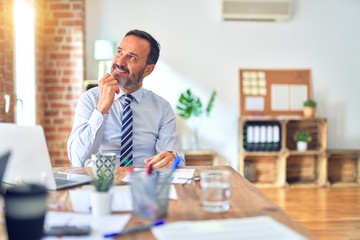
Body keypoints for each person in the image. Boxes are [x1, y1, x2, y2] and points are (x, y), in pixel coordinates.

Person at [67, 29, 184, 169]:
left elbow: (175, 159)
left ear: (148, 70)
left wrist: (171, 159)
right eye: (120, 52)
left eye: (132, 57)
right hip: (103, 183)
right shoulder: (90, 99)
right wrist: (101, 109)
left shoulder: (162, 108)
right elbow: (77, 160)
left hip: (143, 184)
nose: (120, 62)